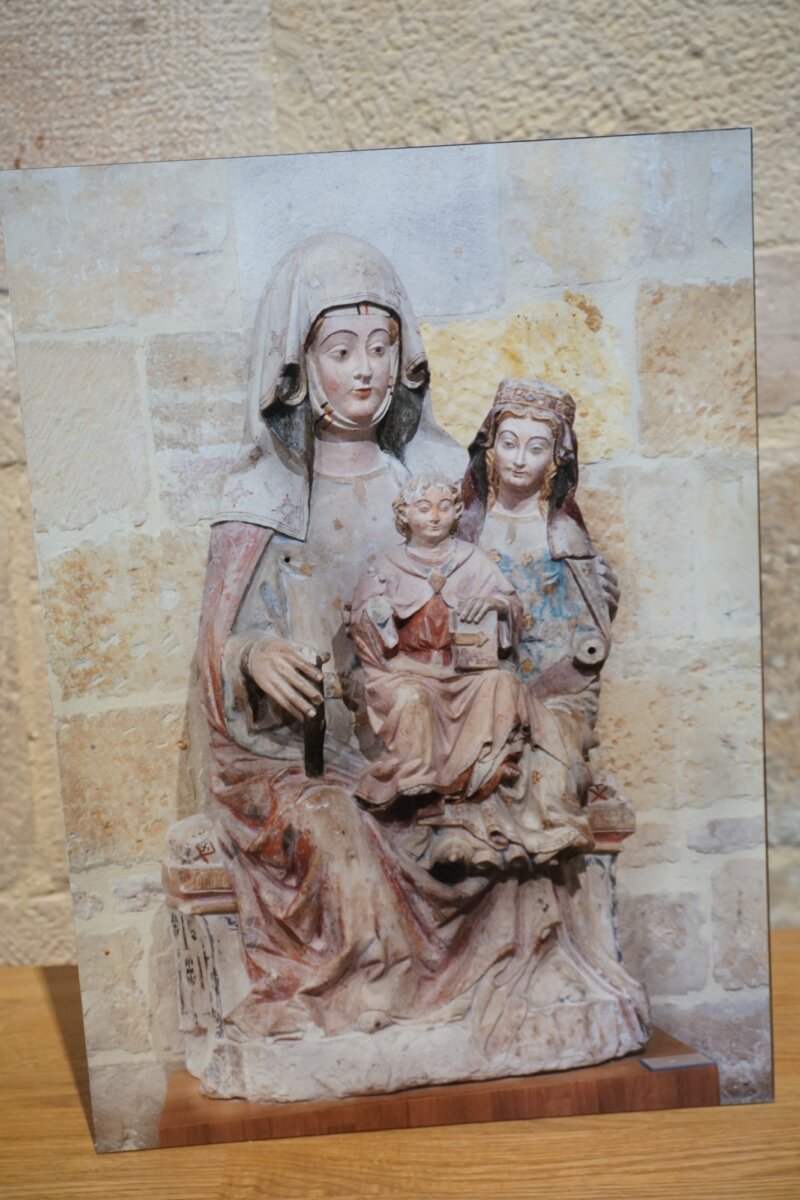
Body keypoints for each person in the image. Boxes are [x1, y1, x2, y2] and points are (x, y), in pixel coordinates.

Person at [348, 474, 524, 810]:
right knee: (412, 697)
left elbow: (511, 603)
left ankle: (485, 765)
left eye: (444, 507)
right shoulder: (386, 566)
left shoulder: (472, 560)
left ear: (457, 512)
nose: (434, 517)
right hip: (406, 670)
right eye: (423, 507)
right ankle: (414, 774)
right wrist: (377, 616)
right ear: (404, 514)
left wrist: (494, 604)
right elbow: (360, 620)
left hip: (463, 671)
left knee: (502, 682)